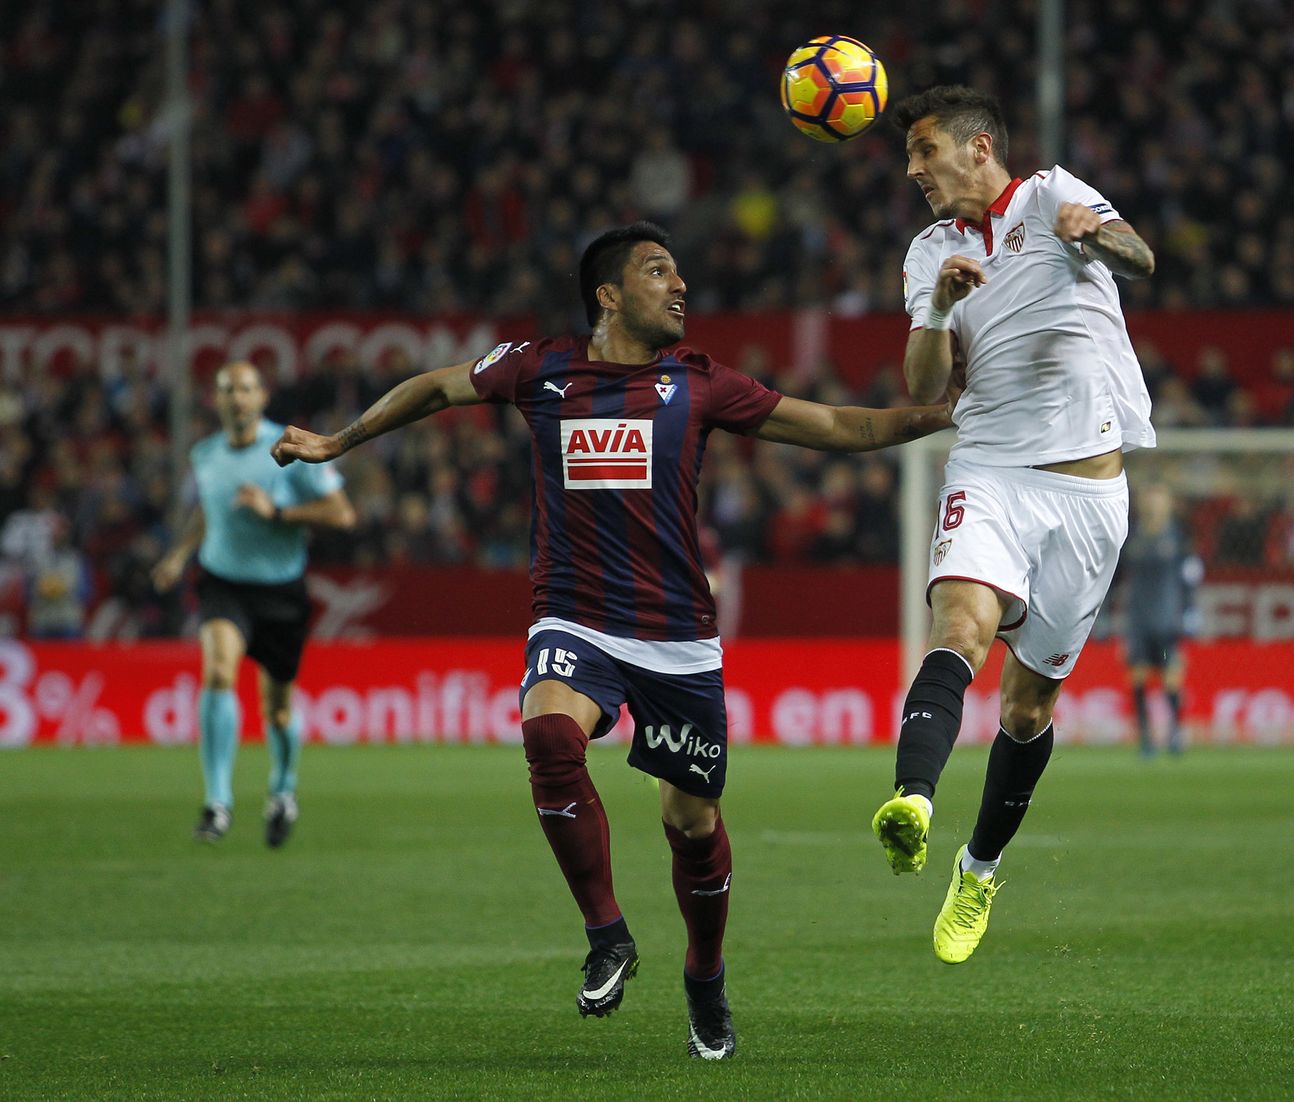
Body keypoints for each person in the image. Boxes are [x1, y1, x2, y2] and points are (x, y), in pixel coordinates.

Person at [270, 222, 952, 1060]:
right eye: (659, 271)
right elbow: (438, 388)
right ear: (609, 295)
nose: (680, 286)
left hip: (678, 637)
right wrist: (340, 441)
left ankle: (705, 978)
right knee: (549, 734)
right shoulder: (540, 368)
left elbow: (840, 426)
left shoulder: (700, 383)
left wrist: (940, 413)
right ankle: (607, 936)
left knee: (691, 824)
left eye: (678, 272)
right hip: (574, 615)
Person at [868, 85, 1157, 964]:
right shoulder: (929, 251)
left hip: (1089, 497)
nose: (914, 171)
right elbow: (925, 385)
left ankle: (979, 868)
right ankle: (912, 800)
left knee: (1027, 710)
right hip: (990, 468)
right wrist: (937, 308)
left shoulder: (1051, 193)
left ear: (979, 147)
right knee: (959, 625)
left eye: (925, 151)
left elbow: (1141, 257)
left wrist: (1090, 233)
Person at [151, 361, 356, 846]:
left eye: (245, 389)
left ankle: (282, 789)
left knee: (278, 710)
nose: (236, 398)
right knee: (219, 672)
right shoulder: (204, 454)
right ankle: (217, 802)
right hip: (223, 582)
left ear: (262, 397)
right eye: (227, 390)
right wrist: (179, 555)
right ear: (216, 400)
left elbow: (342, 514)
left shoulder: (288, 447)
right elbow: (209, 510)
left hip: (280, 591)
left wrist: (277, 512)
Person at [1118, 483, 1203, 756]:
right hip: (1138, 621)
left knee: (1171, 678)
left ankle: (1175, 731)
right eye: (1149, 498)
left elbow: (1190, 578)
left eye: (1159, 498)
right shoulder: (1130, 536)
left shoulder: (1178, 538)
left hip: (1167, 621)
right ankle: (1145, 737)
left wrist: (1190, 611)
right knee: (1138, 677)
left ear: (1168, 503)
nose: (1153, 503)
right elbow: (1116, 577)